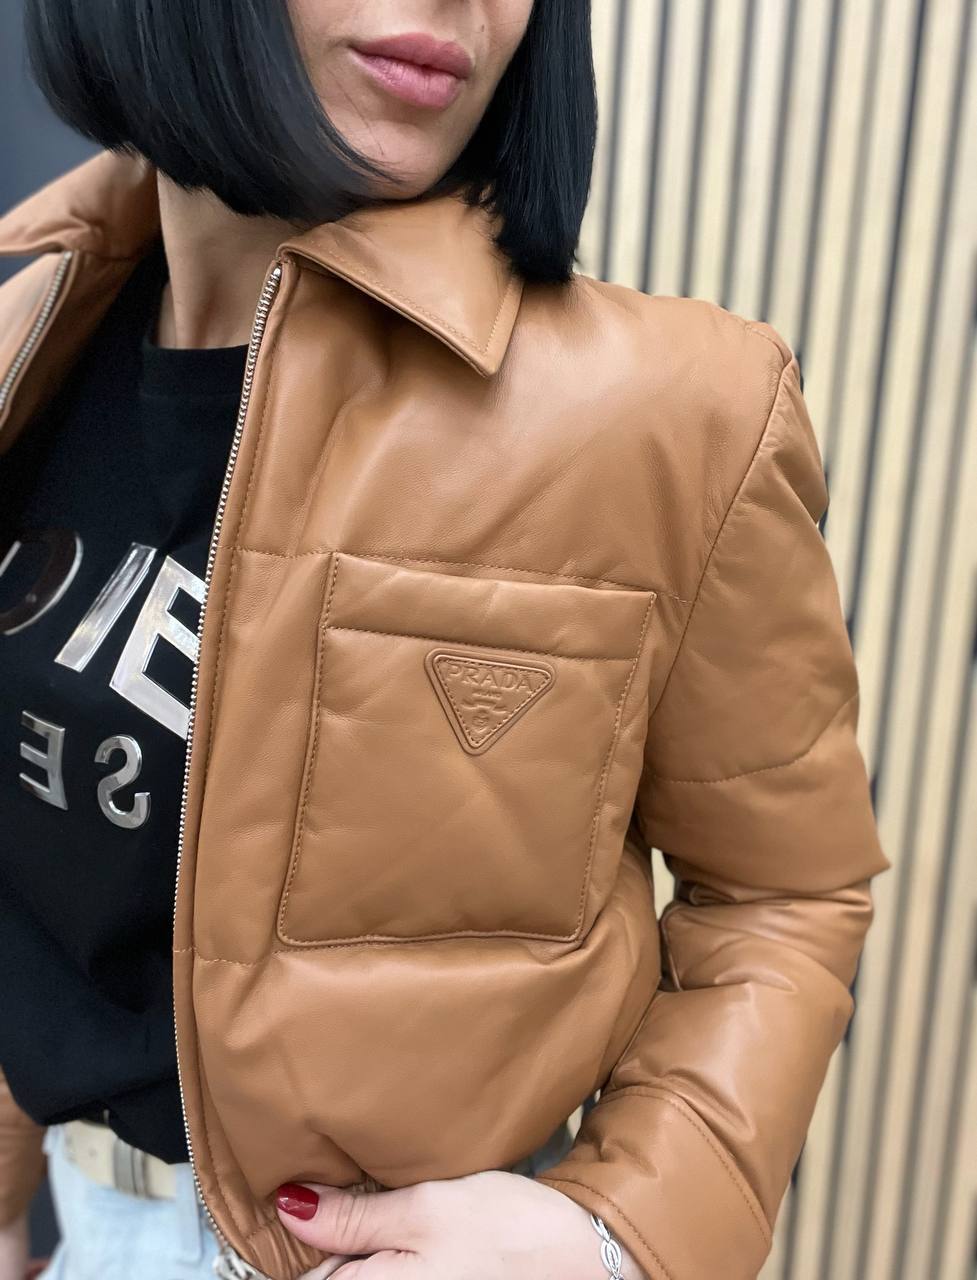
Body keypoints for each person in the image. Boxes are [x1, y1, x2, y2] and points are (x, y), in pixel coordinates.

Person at [0, 1, 892, 1278]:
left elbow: (782, 892)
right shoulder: (33, 337)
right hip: (83, 1220)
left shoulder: (671, 414)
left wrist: (614, 1235)